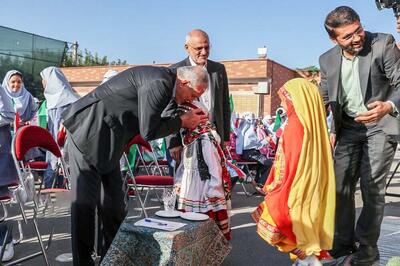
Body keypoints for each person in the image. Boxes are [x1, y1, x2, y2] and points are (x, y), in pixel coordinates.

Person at [61, 65, 208, 265]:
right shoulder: (161, 83)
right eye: (192, 94)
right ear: (184, 82)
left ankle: (111, 259)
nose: (192, 99)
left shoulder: (169, 85)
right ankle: (83, 262)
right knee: (85, 204)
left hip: (111, 139)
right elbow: (149, 130)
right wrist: (182, 122)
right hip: (88, 130)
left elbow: (162, 116)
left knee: (114, 206)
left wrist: (182, 114)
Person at [320, 6, 400, 265]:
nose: (357, 38)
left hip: (380, 125)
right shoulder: (326, 60)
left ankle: (366, 253)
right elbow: (322, 98)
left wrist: (388, 106)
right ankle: (342, 246)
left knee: (372, 189)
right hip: (349, 130)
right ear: (334, 39)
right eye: (348, 36)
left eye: (359, 30)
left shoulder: (383, 43)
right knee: (340, 189)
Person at [252, 78, 336, 266]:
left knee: (284, 225)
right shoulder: (312, 125)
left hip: (294, 187)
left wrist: (276, 187)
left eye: (284, 99)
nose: (282, 104)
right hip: (309, 187)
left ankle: (309, 259)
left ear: (296, 100)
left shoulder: (296, 125)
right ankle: (310, 257)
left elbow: (287, 164)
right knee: (304, 230)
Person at [166, 29, 231, 170]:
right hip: (184, 140)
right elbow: (168, 109)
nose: (204, 52)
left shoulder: (218, 70)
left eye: (207, 47)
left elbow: (225, 104)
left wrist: (225, 137)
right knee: (184, 185)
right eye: (198, 48)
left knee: (213, 184)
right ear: (186, 48)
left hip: (213, 138)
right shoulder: (174, 71)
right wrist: (173, 142)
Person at [174, 100, 231, 240]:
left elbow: (215, 167)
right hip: (190, 185)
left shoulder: (204, 138)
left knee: (202, 219)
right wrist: (179, 180)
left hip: (202, 187)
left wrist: (214, 189)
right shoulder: (190, 136)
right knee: (189, 219)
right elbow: (184, 164)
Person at [0, 70, 37, 262]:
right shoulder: (3, 92)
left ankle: (5, 239)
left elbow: (30, 117)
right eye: (13, 82)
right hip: (7, 145)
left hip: (14, 147)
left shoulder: (27, 97)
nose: (15, 85)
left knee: (6, 196)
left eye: (19, 82)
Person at [40, 66, 80, 188]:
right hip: (70, 143)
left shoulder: (56, 102)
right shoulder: (71, 98)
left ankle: (49, 195)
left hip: (59, 143)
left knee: (53, 167)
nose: (43, 83)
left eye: (44, 79)